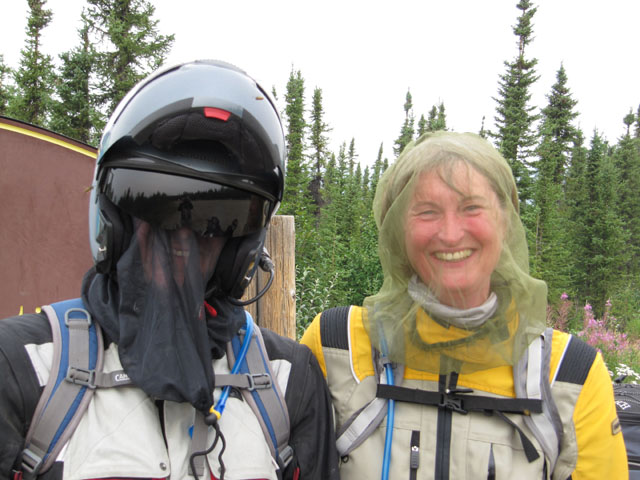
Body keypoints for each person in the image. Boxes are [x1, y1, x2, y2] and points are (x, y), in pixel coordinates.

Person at [0, 60, 339, 480]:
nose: (181, 236)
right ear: (116, 217)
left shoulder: (289, 381)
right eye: (156, 205)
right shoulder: (22, 366)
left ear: (242, 246)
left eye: (216, 218)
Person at [301, 131, 627, 479]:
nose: (451, 233)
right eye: (427, 212)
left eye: (472, 207)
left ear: (505, 220)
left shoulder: (569, 375)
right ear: (398, 231)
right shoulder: (336, 347)